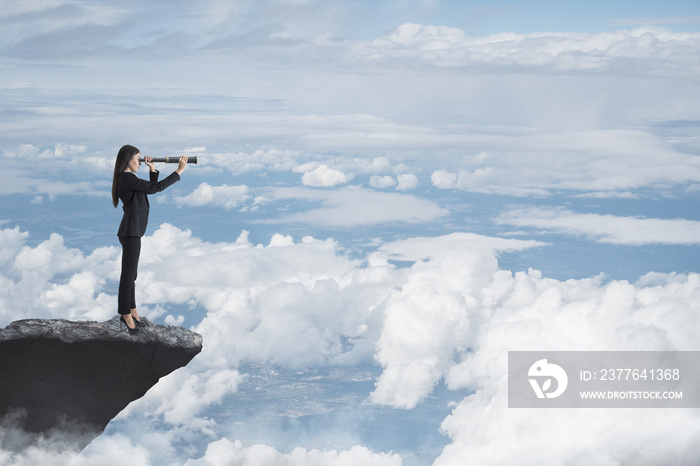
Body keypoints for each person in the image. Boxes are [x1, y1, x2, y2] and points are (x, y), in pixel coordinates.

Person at [111, 145, 187, 332]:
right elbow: (156, 188)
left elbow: (147, 189)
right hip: (130, 232)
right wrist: (178, 171)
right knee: (128, 275)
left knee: (132, 274)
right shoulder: (127, 178)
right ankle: (125, 313)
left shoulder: (129, 178)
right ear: (128, 160)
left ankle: (132, 308)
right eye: (137, 158)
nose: (139, 162)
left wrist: (153, 169)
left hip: (133, 231)